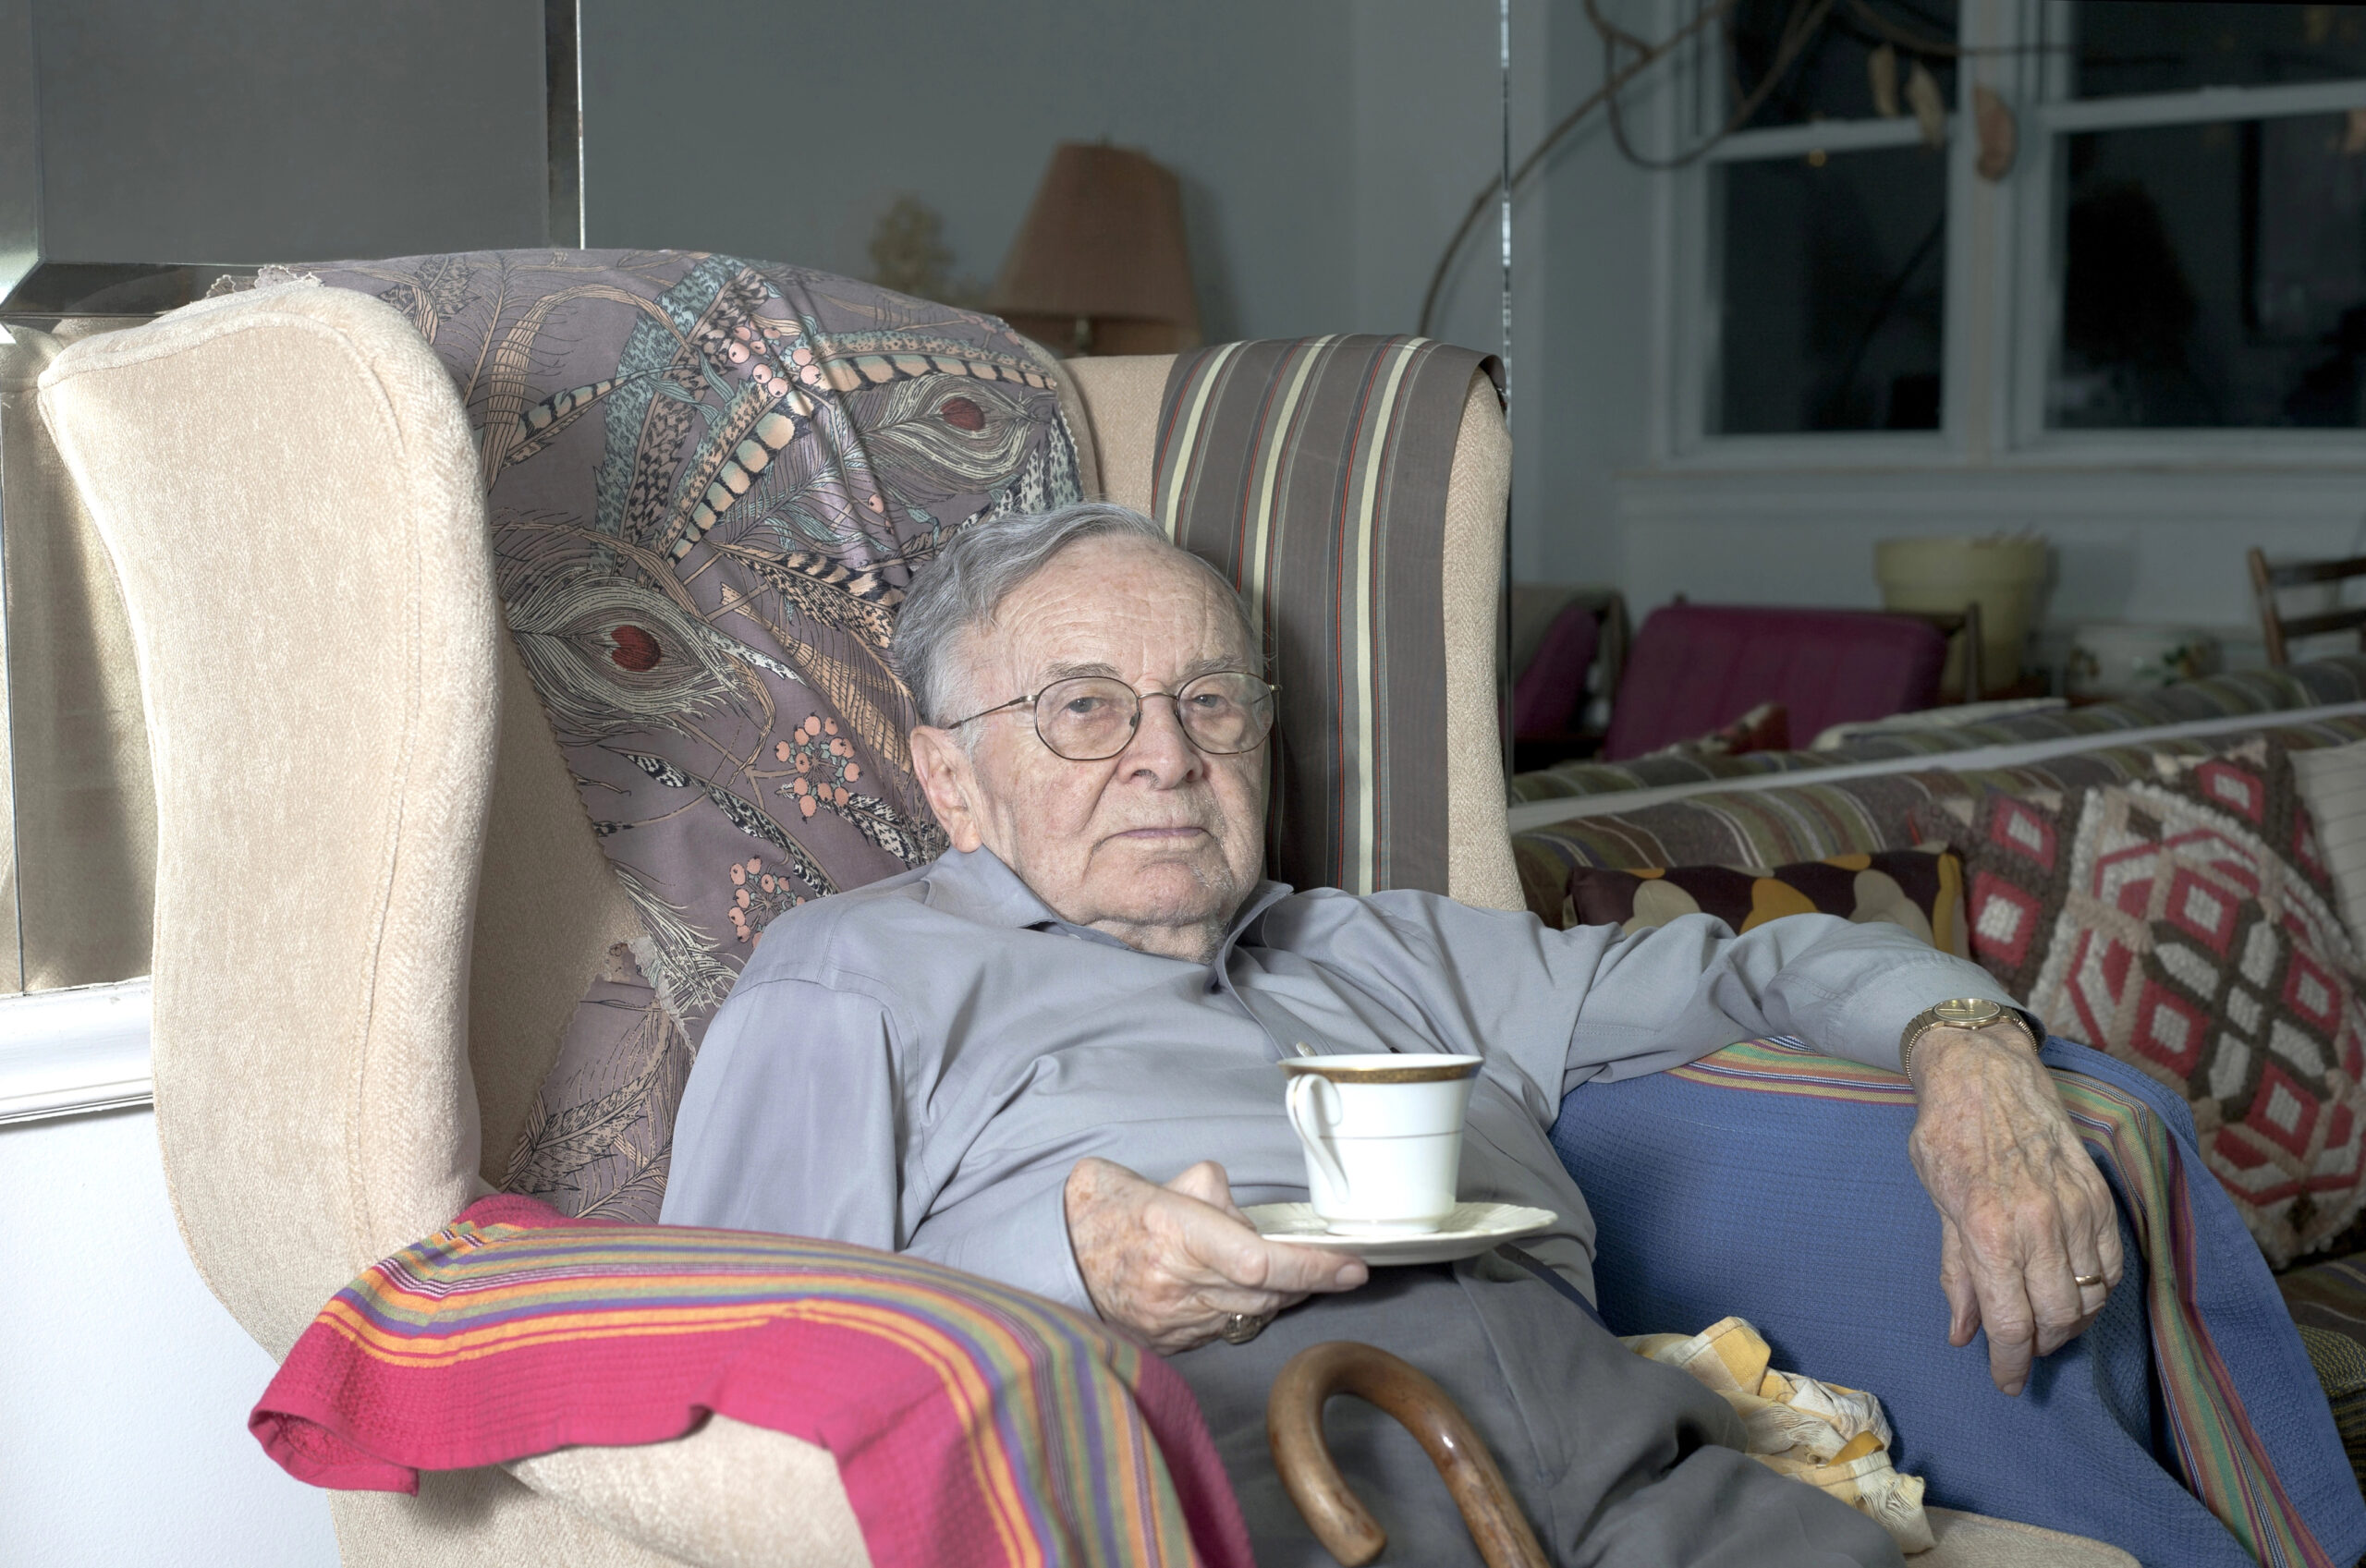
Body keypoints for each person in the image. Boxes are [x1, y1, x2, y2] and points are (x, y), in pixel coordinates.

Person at [662, 503, 2123, 1566]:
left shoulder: (1382, 943)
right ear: (951, 778)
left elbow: (1754, 974)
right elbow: (715, 1358)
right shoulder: (854, 977)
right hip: (1266, 1453)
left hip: (1619, 1449)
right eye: (1086, 708)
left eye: (1211, 699)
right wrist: (1069, 1275)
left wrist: (1966, 1043)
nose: (1167, 754)